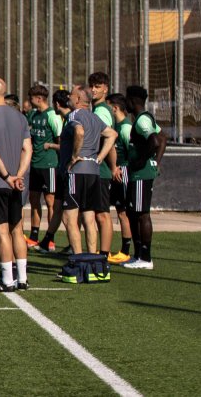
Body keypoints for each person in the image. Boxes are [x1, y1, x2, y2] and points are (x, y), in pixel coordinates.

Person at [0, 78, 32, 291]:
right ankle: (22, 278)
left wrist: (7, 175)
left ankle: (7, 280)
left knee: (1, 232)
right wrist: (19, 175)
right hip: (17, 183)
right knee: (17, 230)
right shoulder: (20, 117)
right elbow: (28, 149)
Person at [64, 85, 117, 261]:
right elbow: (112, 134)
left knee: (70, 218)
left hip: (76, 172)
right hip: (93, 172)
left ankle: (78, 261)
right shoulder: (94, 118)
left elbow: (79, 131)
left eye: (71, 94)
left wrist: (74, 156)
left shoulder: (74, 115)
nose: (68, 97)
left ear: (78, 99)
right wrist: (99, 157)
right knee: (89, 218)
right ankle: (92, 261)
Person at [122, 85, 166, 270]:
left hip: (141, 174)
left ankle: (146, 258)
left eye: (127, 99)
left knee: (142, 214)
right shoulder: (143, 119)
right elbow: (164, 138)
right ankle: (138, 254)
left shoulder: (142, 121)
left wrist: (144, 160)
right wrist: (157, 161)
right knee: (133, 213)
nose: (126, 103)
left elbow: (156, 140)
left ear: (133, 101)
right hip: (137, 173)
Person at [87, 72, 121, 260]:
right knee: (94, 213)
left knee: (102, 214)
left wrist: (112, 166)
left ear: (106, 89)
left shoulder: (101, 111)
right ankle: (98, 253)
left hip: (101, 170)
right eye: (91, 86)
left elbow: (110, 140)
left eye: (98, 86)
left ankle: (104, 254)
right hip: (96, 169)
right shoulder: (96, 109)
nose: (93, 89)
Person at [36, 89, 75, 254]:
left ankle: (76, 248)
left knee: (71, 213)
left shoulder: (72, 120)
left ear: (57, 104)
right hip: (62, 171)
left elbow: (72, 144)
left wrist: (51, 146)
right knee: (58, 206)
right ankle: (47, 240)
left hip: (71, 172)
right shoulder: (66, 119)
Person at [26, 84, 63, 247]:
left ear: (39, 99)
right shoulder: (33, 116)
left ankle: (50, 239)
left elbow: (61, 142)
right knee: (34, 199)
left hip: (49, 165)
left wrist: (51, 147)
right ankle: (34, 236)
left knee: (50, 201)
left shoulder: (53, 116)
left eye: (31, 98)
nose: (29, 101)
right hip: (35, 165)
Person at [107, 93, 134, 264]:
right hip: (117, 171)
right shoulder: (117, 126)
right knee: (120, 211)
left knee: (124, 212)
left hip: (123, 172)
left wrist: (120, 168)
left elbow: (131, 152)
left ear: (115, 108)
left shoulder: (125, 128)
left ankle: (126, 250)